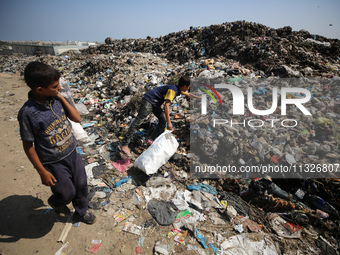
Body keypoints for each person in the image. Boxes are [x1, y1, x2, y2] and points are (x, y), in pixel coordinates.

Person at [17, 61, 96, 224]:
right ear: (39, 89)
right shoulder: (28, 113)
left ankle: (81, 212)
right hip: (53, 162)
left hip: (72, 153)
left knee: (81, 185)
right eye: (54, 86)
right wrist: (42, 172)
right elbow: (28, 146)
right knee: (66, 193)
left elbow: (77, 118)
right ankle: (56, 202)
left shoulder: (56, 100)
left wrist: (59, 96)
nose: (58, 88)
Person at [119, 75, 199, 156]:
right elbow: (166, 106)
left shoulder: (177, 88)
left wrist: (199, 97)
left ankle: (151, 139)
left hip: (155, 103)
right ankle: (124, 144)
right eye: (188, 87)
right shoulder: (173, 91)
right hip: (149, 101)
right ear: (185, 86)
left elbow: (187, 94)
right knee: (138, 121)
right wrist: (169, 123)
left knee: (162, 120)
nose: (188, 89)